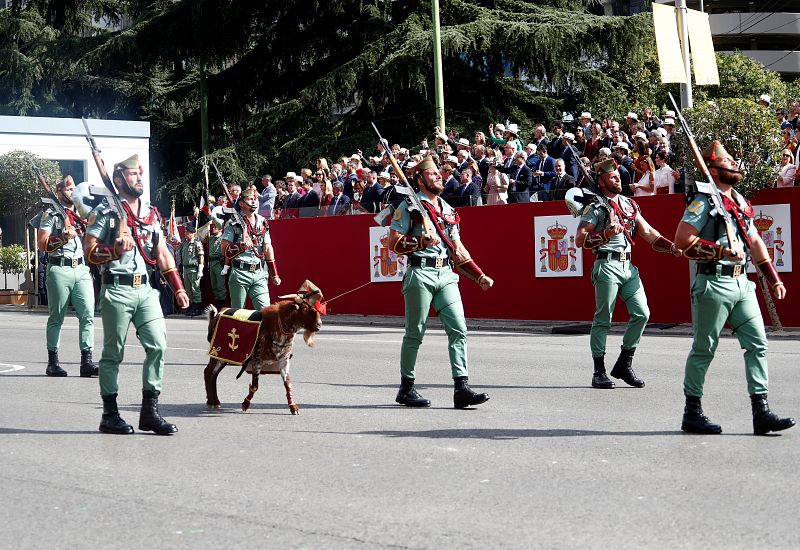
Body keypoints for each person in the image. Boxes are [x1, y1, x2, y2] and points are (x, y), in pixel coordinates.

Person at [674, 140, 795, 435]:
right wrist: (719, 252)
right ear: (714, 169)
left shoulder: (739, 201)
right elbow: (682, 242)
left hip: (743, 283)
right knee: (704, 348)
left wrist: (773, 278)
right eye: (729, 161)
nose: (735, 164)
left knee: (758, 344)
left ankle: (761, 411)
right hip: (713, 282)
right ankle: (692, 412)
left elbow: (754, 242)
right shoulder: (702, 201)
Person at [84, 154, 189, 435]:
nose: (140, 178)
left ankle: (149, 412)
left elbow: (162, 253)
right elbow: (90, 252)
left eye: (141, 174)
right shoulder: (104, 212)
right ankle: (110, 414)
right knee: (113, 354)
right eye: (132, 174)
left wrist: (177, 286)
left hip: (146, 290)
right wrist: (115, 249)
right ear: (118, 180)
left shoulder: (151, 213)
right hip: (116, 289)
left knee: (158, 345)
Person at [388, 155, 494, 409]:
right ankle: (406, 387)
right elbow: (393, 243)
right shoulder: (409, 208)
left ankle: (461, 388)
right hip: (420, 273)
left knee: (459, 329)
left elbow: (458, 249)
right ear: (420, 180)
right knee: (415, 333)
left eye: (439, 173)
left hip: (446, 274)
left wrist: (479, 274)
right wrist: (421, 242)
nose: (439, 176)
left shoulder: (447, 209)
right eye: (433, 173)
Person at [575, 158, 680, 390]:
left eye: (618, 175)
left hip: (628, 267)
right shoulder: (596, 207)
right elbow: (580, 238)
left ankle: (624, 363)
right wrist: (605, 234)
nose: (618, 178)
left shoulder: (630, 205)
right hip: (607, 265)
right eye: (612, 176)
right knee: (603, 319)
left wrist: (671, 247)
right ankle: (598, 371)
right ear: (601, 181)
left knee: (642, 313)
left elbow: (649, 232)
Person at [35, 175, 98, 377]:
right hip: (59, 268)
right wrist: (63, 237)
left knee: (88, 314)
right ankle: (52, 362)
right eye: (69, 190)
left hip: (81, 268)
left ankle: (86, 362)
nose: (73, 193)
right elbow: (42, 244)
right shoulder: (51, 214)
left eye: (73, 190)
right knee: (56, 317)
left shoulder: (80, 213)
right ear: (60, 192)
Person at [221, 185, 281, 309]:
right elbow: (224, 250)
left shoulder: (263, 222)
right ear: (241, 204)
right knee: (238, 313)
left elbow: (267, 247)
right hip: (240, 272)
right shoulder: (234, 223)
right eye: (249, 199)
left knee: (266, 311)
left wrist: (274, 273)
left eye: (254, 198)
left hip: (259, 272)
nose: (253, 201)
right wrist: (240, 246)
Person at [178, 224, 204, 316]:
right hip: (186, 269)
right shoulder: (185, 243)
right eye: (186, 232)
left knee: (195, 289)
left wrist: (200, 269)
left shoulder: (197, 243)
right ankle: (192, 307)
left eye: (188, 233)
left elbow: (201, 256)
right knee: (188, 290)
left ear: (192, 233)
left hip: (194, 269)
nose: (186, 234)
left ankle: (197, 308)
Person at [207, 221, 227, 308]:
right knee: (214, 284)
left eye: (215, 227)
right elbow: (201, 238)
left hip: (219, 262)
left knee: (220, 285)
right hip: (211, 263)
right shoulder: (211, 238)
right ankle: (217, 301)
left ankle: (222, 304)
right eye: (213, 227)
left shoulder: (223, 238)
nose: (213, 229)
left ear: (220, 229)